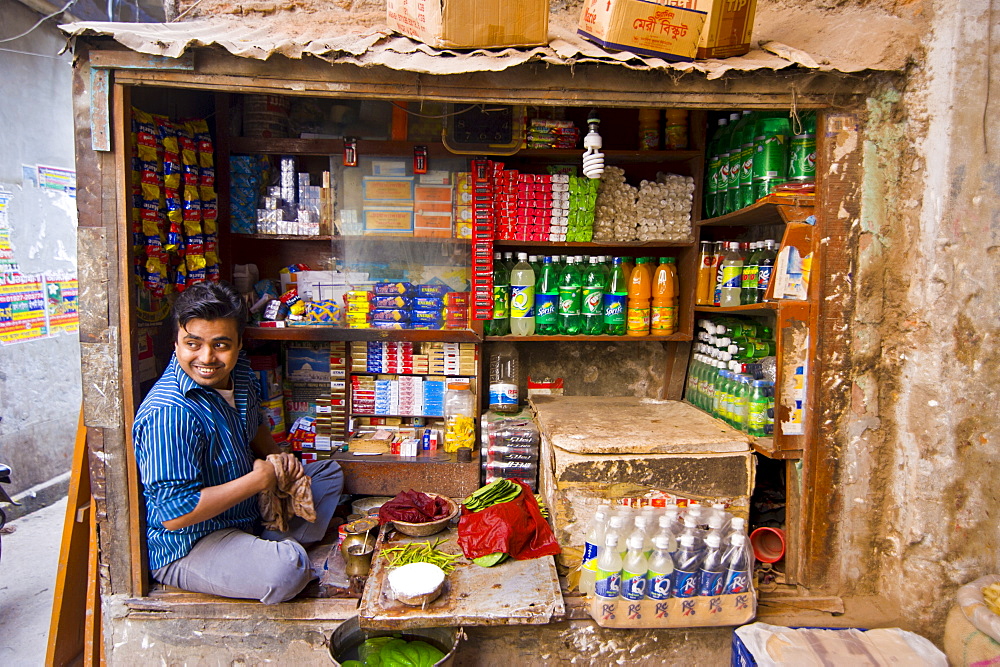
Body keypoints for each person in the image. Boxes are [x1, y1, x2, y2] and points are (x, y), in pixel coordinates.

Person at [132, 281, 343, 604]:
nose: (207, 358)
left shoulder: (238, 372)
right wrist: (259, 480)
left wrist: (280, 462)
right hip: (194, 543)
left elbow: (254, 423)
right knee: (287, 571)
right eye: (193, 344)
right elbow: (175, 514)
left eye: (220, 345)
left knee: (328, 474)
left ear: (239, 343)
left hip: (247, 516)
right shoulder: (169, 413)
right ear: (176, 342)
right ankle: (275, 553)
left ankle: (265, 544)